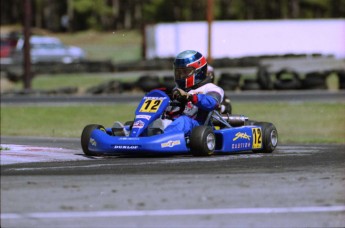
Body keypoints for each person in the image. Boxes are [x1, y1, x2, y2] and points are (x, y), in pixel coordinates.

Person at [163, 50, 224, 135]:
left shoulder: (211, 88)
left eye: (185, 72)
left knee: (183, 121)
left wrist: (191, 97)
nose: (181, 76)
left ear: (199, 71)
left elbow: (212, 103)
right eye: (178, 72)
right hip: (175, 123)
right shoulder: (177, 89)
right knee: (157, 120)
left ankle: (160, 139)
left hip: (198, 127)